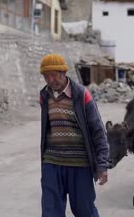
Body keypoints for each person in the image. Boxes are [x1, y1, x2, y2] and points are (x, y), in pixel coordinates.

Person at [39, 53, 109, 217]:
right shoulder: (44, 96)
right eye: (46, 76)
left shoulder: (82, 95)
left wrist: (102, 165)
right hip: (52, 163)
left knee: (85, 211)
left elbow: (98, 131)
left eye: (53, 75)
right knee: (50, 212)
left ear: (63, 73)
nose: (50, 80)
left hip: (80, 165)